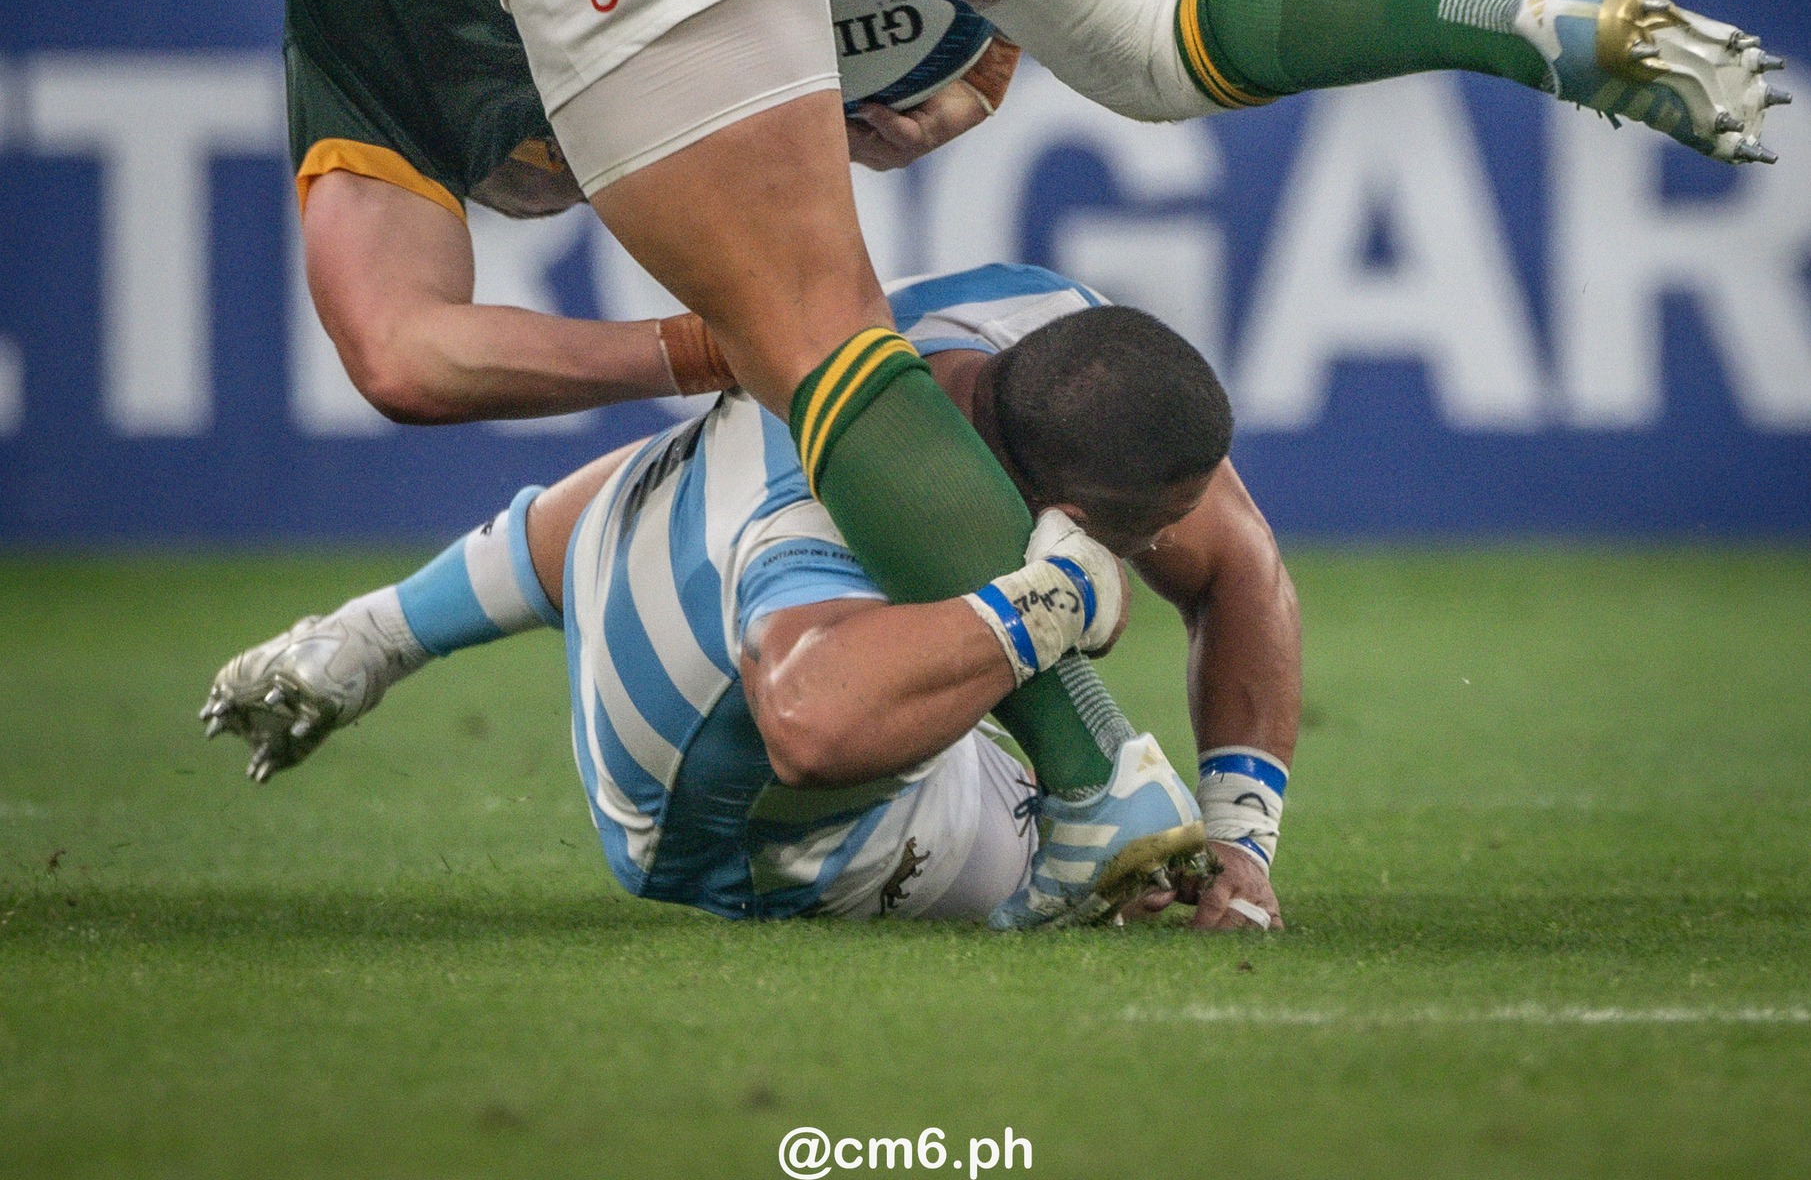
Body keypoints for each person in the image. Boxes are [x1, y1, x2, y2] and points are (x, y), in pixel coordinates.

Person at [287, 0, 1781, 916]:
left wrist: (716, 341)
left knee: (826, 344)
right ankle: (1529, 17)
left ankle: (1091, 777)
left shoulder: (360, 50)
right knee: (1158, 24)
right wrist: (983, 26)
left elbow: (400, 354)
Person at [203, 266, 1299, 930]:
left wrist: (1242, 836)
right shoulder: (818, 523)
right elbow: (812, 727)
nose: (1164, 545)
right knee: (1130, 865)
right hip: (713, 806)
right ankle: (1051, 833)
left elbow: (1239, 560)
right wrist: (1053, 597)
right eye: (1140, 533)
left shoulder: (1027, 320)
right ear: (1063, 507)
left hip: (637, 531)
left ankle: (368, 634)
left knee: (708, 460)